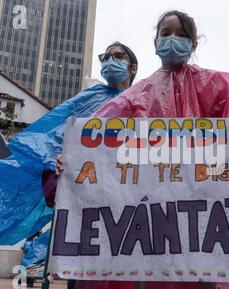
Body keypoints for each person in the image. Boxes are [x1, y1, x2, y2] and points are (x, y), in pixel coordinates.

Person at [88, 10, 229, 289]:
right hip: (152, 217)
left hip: (200, 218)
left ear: (193, 44)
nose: (171, 39)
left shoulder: (214, 85)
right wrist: (71, 159)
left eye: (180, 34)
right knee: (150, 287)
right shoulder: (137, 95)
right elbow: (96, 137)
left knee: (199, 288)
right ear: (155, 41)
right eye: (165, 34)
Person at [0, 42, 137, 246]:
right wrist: (57, 158)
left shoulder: (139, 100)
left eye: (117, 56)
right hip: (80, 185)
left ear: (132, 67)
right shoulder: (89, 97)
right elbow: (57, 132)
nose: (109, 61)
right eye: (105, 57)